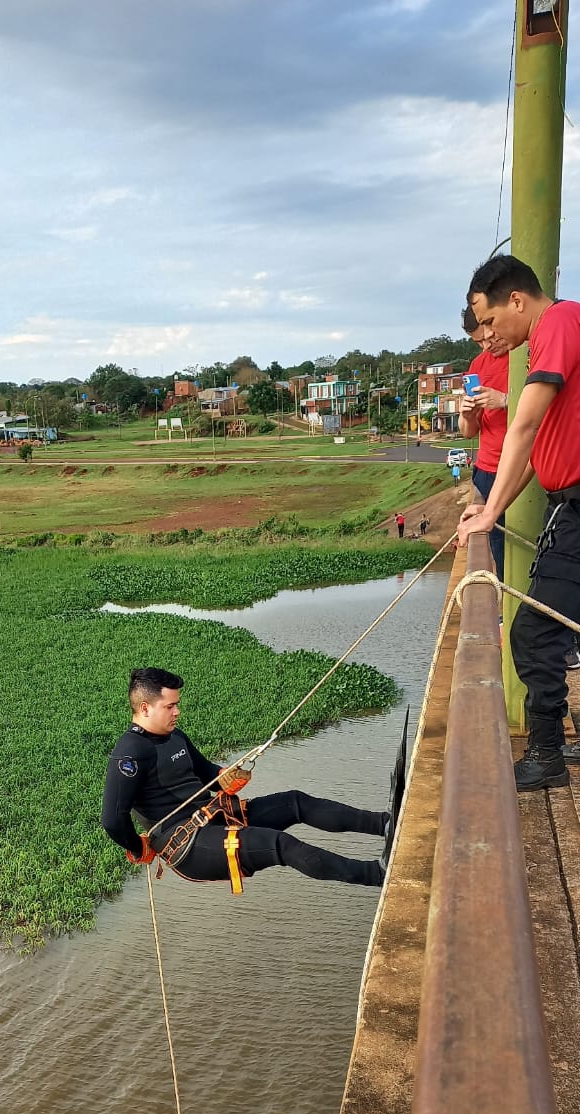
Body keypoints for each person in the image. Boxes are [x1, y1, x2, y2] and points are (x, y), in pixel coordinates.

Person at [457, 253, 580, 790]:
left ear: (516, 300)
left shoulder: (558, 322)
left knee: (535, 630)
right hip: (567, 503)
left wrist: (488, 512)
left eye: (487, 320)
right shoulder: (548, 338)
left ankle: (547, 753)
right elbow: (535, 448)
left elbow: (525, 425)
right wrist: (492, 507)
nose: (486, 333)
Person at [101, 667, 391, 890]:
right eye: (170, 706)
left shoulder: (174, 736)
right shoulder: (130, 753)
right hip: (189, 847)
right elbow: (113, 820)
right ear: (144, 708)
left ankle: (384, 824)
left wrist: (224, 776)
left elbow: (205, 772)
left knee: (294, 802)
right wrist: (140, 849)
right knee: (280, 844)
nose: (178, 711)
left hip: (215, 818)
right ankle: (378, 875)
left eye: (177, 704)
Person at [458, 304, 509, 583]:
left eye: (490, 336)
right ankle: (506, 610)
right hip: (487, 470)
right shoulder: (477, 366)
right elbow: (468, 432)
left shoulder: (525, 354)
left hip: (520, 467)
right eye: (479, 341)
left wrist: (504, 400)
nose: (488, 344)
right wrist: (467, 413)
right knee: (499, 549)